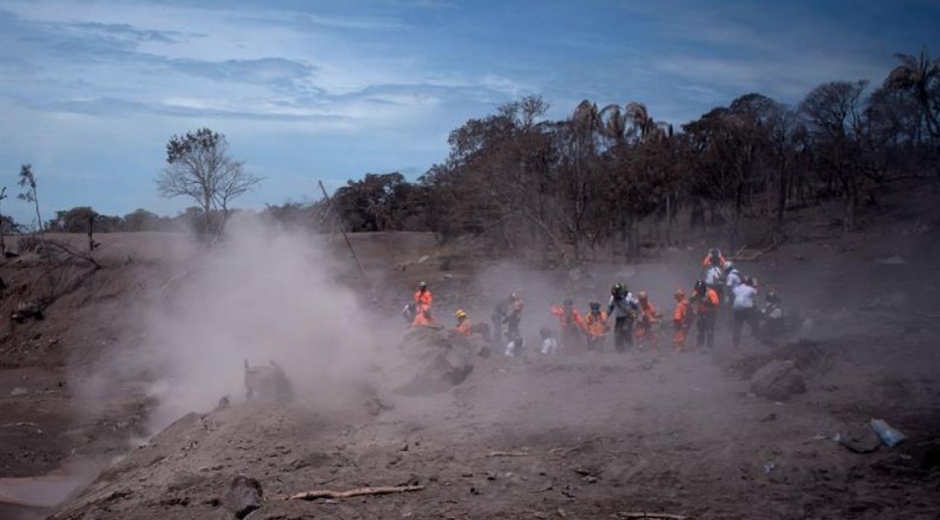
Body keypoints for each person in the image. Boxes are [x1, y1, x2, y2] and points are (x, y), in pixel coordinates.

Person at [607, 283, 639, 353]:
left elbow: (636, 305)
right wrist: (606, 316)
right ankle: (620, 350)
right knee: (617, 333)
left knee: (626, 330)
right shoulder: (612, 298)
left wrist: (636, 313)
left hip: (628, 317)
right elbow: (610, 308)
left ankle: (630, 347)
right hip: (619, 318)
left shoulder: (629, 297)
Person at [731, 277, 760, 349]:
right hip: (747, 309)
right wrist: (756, 284)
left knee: (737, 327)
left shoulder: (737, 288)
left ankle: (735, 345)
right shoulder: (750, 288)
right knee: (754, 324)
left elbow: (732, 291)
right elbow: (757, 292)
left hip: (737, 309)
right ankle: (758, 340)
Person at [691, 280, 719, 351]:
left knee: (709, 329)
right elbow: (691, 299)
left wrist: (706, 302)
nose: (699, 292)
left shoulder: (711, 293)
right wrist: (692, 299)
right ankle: (700, 344)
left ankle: (709, 346)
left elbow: (715, 303)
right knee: (700, 329)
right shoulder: (697, 292)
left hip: (710, 313)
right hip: (701, 312)